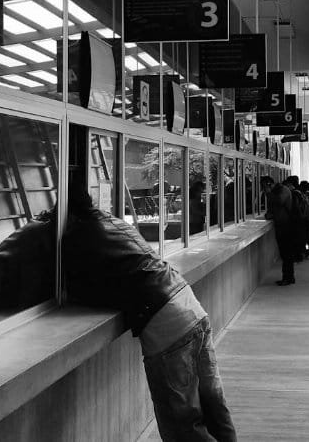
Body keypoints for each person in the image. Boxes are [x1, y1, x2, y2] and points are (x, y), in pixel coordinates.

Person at [63, 181, 237, 442]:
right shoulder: (115, 222)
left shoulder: (78, 236)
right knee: (213, 403)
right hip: (191, 306)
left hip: (167, 328)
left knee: (182, 424)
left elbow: (83, 286)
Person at [262, 176, 299, 285]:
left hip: (286, 225)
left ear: (269, 184)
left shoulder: (283, 190)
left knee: (286, 253)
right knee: (284, 253)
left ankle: (288, 278)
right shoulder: (278, 191)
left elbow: (279, 201)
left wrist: (269, 193)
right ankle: (288, 277)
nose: (264, 190)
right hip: (281, 225)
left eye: (264, 187)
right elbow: (274, 208)